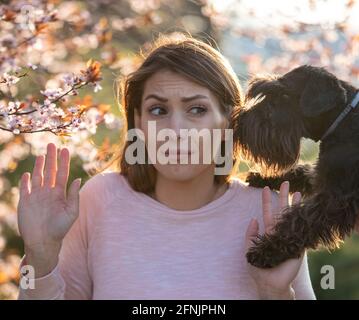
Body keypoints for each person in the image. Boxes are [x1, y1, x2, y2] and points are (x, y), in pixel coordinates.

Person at [17, 34, 316, 300]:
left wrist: (276, 294)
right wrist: (41, 257)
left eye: (196, 109)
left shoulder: (269, 212)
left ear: (228, 121)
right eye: (158, 110)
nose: (175, 129)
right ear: (138, 122)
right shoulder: (99, 200)